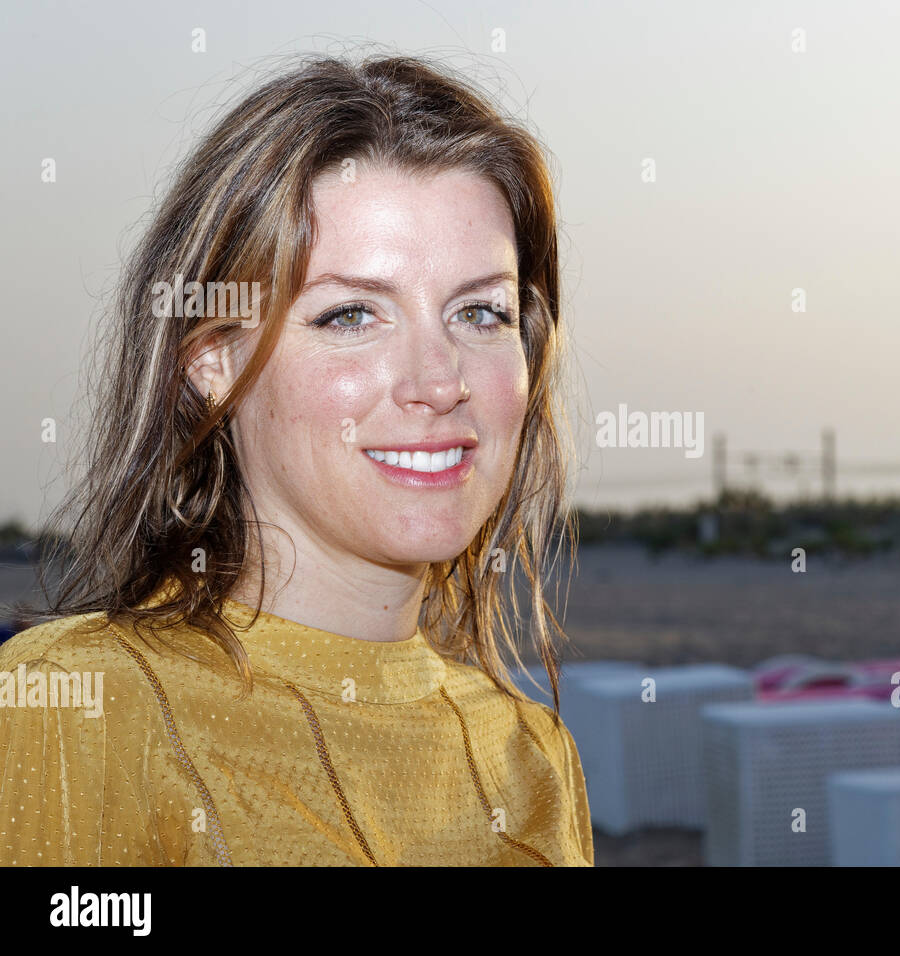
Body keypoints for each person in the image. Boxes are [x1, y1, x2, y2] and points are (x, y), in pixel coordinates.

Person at [0, 53, 591, 866]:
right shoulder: (79, 707)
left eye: (480, 312)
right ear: (211, 364)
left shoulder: (535, 757)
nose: (439, 382)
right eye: (351, 315)